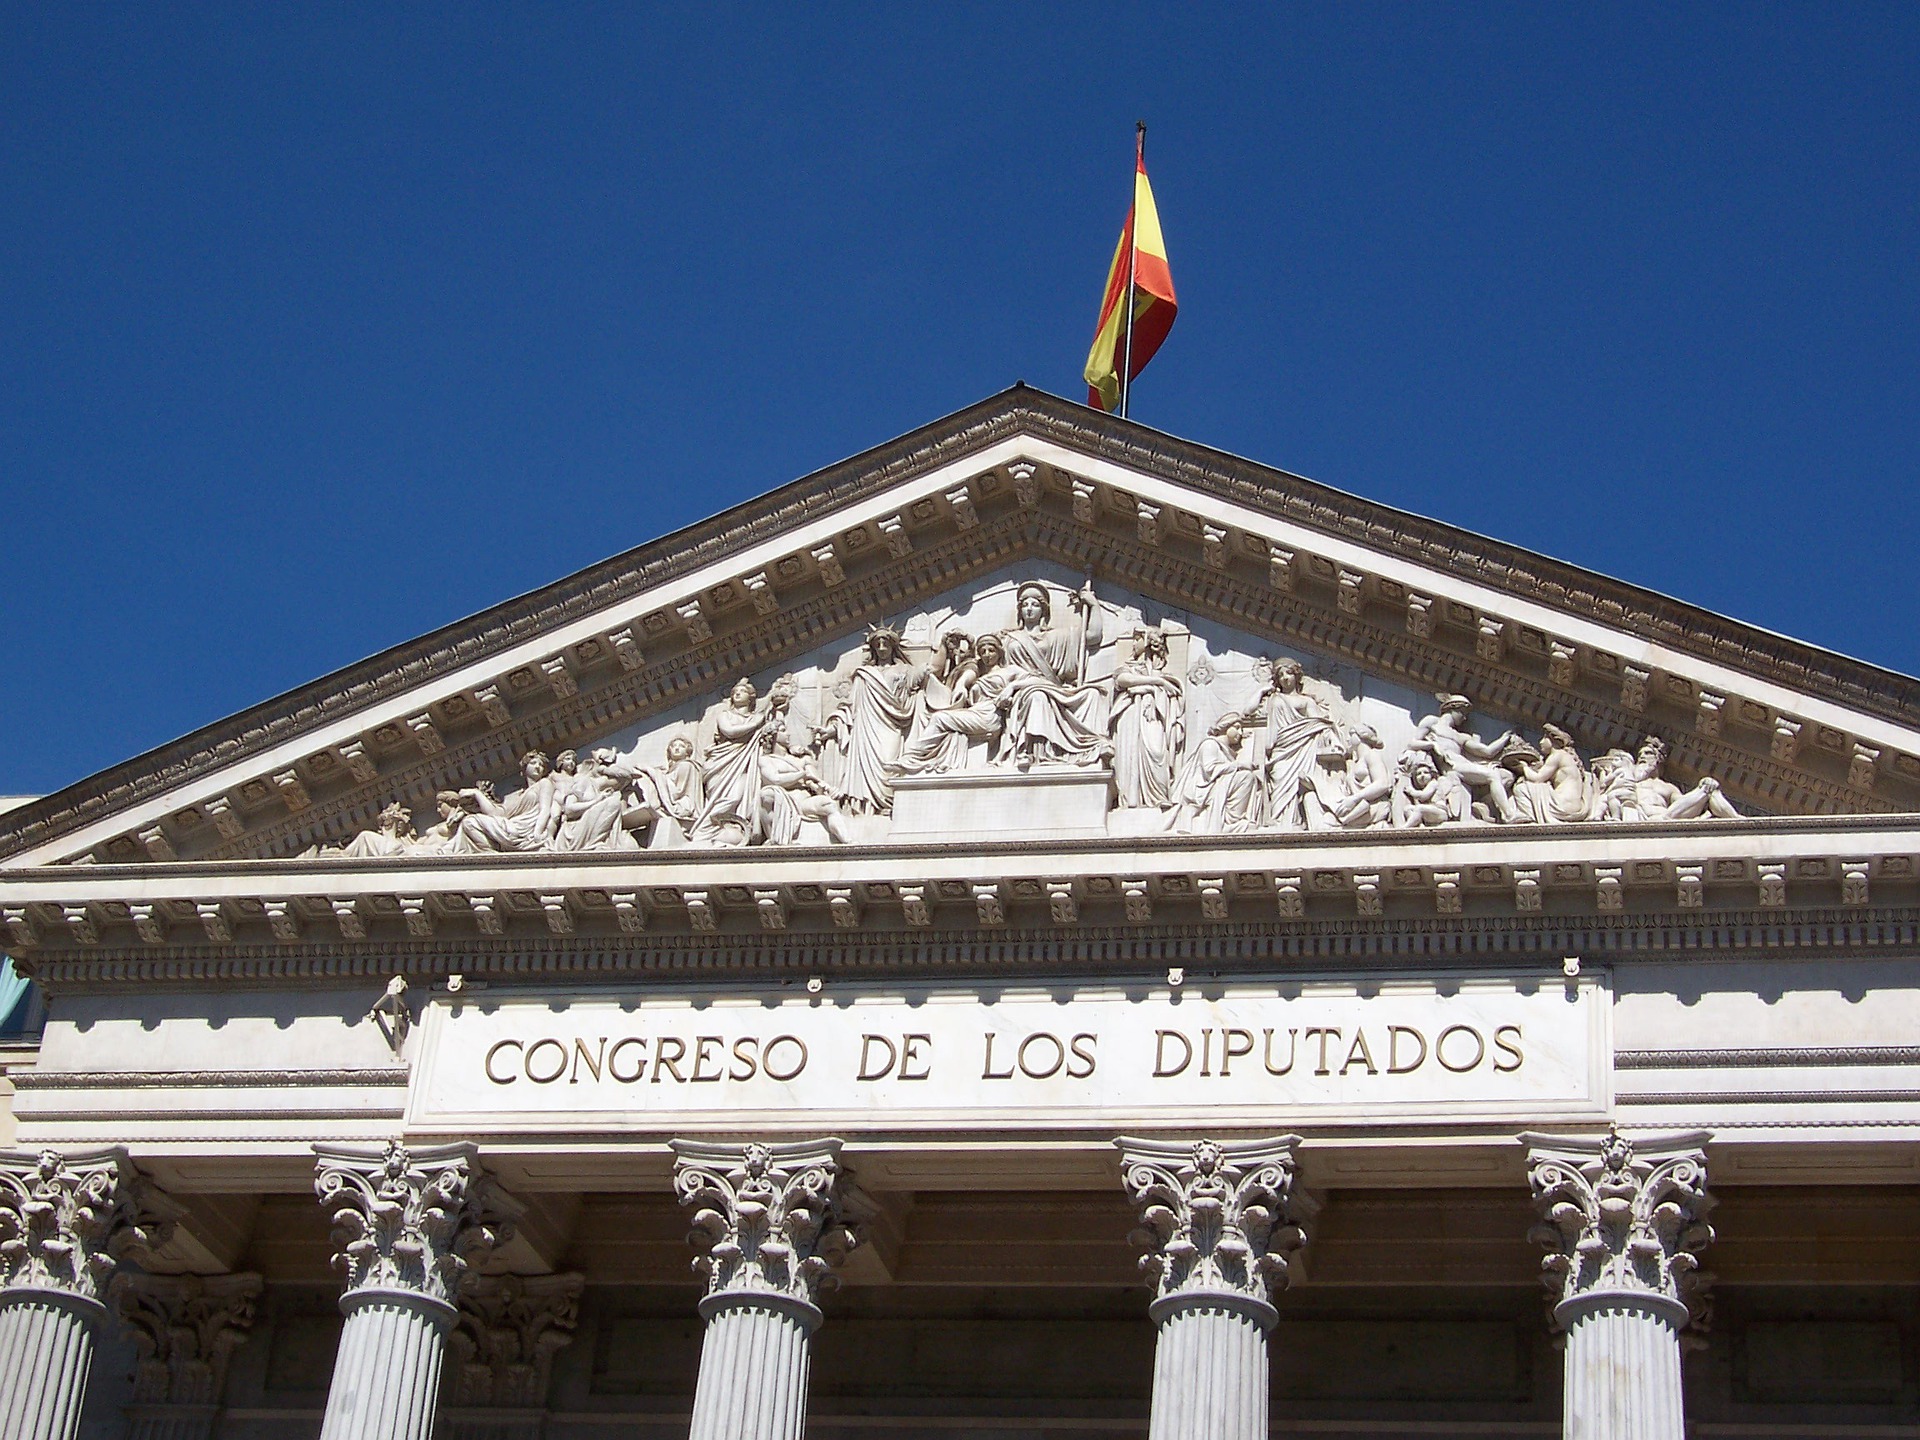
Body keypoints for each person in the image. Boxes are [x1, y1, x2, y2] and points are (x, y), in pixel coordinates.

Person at [996, 581, 1111, 769]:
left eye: (1034, 604)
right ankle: (1035, 753)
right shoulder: (1008, 639)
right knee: (1037, 697)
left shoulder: (1058, 636)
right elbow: (987, 662)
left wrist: (1093, 604)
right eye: (1024, 605)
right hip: (1023, 692)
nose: (1029, 609)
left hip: (1053, 689)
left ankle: (1093, 746)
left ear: (1043, 610)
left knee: (1093, 694)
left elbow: (1093, 636)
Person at [821, 626, 925, 815]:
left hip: (893, 723)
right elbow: (850, 707)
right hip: (866, 727)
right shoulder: (864, 674)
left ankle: (889, 804)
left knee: (889, 763)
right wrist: (833, 729)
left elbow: (928, 672)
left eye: (885, 643)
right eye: (878, 644)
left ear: (894, 646)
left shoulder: (905, 670)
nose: (882, 647)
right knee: (866, 768)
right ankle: (867, 808)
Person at [889, 633, 1011, 776]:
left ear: (999, 652)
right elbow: (969, 670)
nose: (987, 655)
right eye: (983, 652)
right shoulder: (978, 671)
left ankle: (912, 757)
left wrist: (1011, 688)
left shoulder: (1009, 671)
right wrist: (961, 684)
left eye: (991, 650)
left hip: (989, 717)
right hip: (975, 713)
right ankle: (917, 758)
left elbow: (1037, 680)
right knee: (939, 716)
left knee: (940, 718)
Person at [689, 679, 792, 846]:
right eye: (734, 692)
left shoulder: (757, 717)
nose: (737, 693)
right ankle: (704, 831)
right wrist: (756, 723)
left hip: (744, 767)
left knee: (737, 796)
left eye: (742, 691)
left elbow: (773, 730)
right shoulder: (726, 715)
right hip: (721, 764)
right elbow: (729, 732)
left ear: (751, 698)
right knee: (722, 799)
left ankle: (734, 827)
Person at [1256, 658, 1341, 830]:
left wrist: (1332, 738)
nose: (1285, 678)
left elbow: (1319, 724)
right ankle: (1280, 822)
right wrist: (1260, 692)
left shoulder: (1306, 701)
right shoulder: (1274, 698)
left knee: (1299, 784)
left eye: (1288, 673)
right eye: (1280, 675)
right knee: (1280, 784)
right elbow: (1247, 712)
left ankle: (1295, 822)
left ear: (1296, 676)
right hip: (1280, 750)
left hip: (1303, 748)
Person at [1409, 696, 1520, 823]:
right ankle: (1509, 815)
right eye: (1463, 713)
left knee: (1506, 776)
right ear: (1454, 709)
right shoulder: (1432, 722)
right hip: (1453, 767)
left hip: (1463, 765)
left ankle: (1482, 807)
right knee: (1492, 775)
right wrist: (1432, 745)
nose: (1465, 718)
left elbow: (1487, 752)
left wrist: (1505, 737)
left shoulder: (1459, 736)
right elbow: (1412, 743)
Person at [1110, 629, 1185, 808]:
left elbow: (1174, 695)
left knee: (1157, 752)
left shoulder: (1162, 672)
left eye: (1137, 639)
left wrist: (1152, 686)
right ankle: (1129, 800)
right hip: (1129, 717)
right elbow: (1122, 679)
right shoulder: (1130, 666)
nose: (1133, 644)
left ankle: (1157, 797)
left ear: (1148, 643)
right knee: (1128, 758)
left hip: (1152, 718)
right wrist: (1155, 684)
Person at [1170, 713, 1263, 835]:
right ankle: (1231, 822)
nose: (1240, 733)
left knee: (1253, 779)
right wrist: (1239, 765)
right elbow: (1210, 769)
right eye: (1237, 727)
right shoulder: (1210, 744)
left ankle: (1232, 820)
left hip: (1216, 787)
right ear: (1225, 727)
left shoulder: (1225, 750)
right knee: (1246, 777)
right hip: (1204, 790)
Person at [1618, 736, 1741, 820]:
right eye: (1639, 755)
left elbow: (1682, 804)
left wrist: (1704, 787)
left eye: (1647, 753)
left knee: (1709, 787)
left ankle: (1738, 822)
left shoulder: (1668, 787)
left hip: (1667, 816)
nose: (1641, 757)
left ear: (1658, 759)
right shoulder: (1629, 781)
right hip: (1639, 815)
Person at [1510, 724, 1596, 824]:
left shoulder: (1557, 755)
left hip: (1562, 805)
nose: (1540, 742)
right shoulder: (1567, 756)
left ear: (1553, 740)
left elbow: (1537, 778)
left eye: (1544, 738)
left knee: (1521, 788)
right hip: (1574, 805)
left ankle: (1528, 819)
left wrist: (1523, 766)